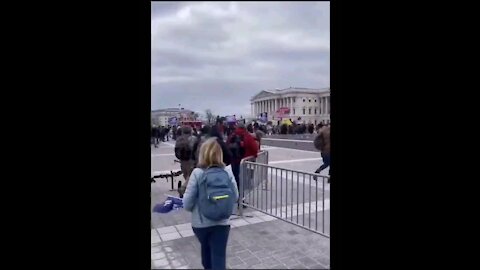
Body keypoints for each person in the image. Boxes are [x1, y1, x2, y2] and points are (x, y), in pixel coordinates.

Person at [182, 138, 238, 270]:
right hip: (222, 223)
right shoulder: (227, 171)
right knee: (219, 257)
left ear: (202, 153)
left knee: (206, 253)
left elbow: (187, 204)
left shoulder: (197, 173)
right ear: (220, 154)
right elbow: (235, 196)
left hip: (201, 224)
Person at [227, 123, 259, 192]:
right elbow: (254, 148)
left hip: (233, 160)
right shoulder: (247, 136)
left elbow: (227, 145)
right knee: (243, 179)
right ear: (245, 128)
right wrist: (254, 155)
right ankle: (241, 197)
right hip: (244, 161)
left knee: (235, 178)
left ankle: (235, 193)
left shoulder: (232, 135)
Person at [174, 126, 198, 196]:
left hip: (182, 160)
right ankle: (184, 189)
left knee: (185, 175)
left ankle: (187, 189)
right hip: (191, 160)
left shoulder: (179, 139)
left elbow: (176, 150)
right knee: (191, 176)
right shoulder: (193, 139)